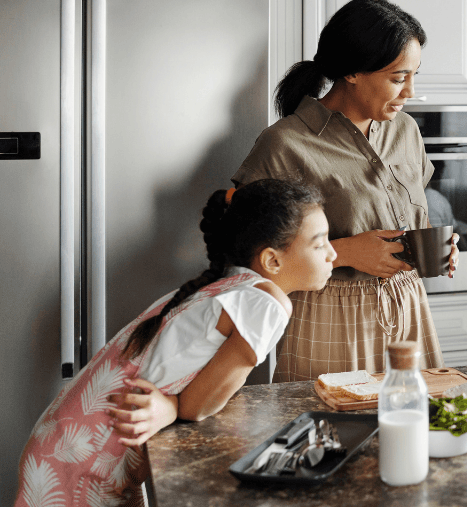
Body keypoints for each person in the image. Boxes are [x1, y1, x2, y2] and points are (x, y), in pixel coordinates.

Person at [16, 179, 334, 506]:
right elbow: (197, 406)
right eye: (319, 243)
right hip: (79, 460)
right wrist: (172, 407)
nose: (333, 253)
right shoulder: (268, 305)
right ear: (272, 261)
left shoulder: (229, 282)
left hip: (66, 441)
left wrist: (171, 407)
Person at [232, 0, 457, 381]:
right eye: (399, 78)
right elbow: (246, 255)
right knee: (331, 433)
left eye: (414, 76)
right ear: (352, 71)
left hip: (410, 307)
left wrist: (436, 248)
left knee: (417, 430)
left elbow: (412, 211)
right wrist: (344, 253)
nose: (411, 92)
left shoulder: (406, 132)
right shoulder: (286, 143)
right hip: (327, 315)